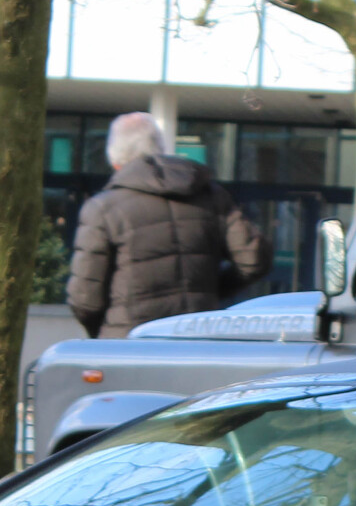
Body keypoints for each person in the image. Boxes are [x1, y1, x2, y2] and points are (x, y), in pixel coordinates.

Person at [68, 112, 269, 338]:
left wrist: (104, 332)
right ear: (160, 148)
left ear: (115, 161)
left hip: (128, 345)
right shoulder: (210, 195)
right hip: (196, 339)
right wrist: (209, 292)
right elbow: (254, 259)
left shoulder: (102, 208)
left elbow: (85, 299)